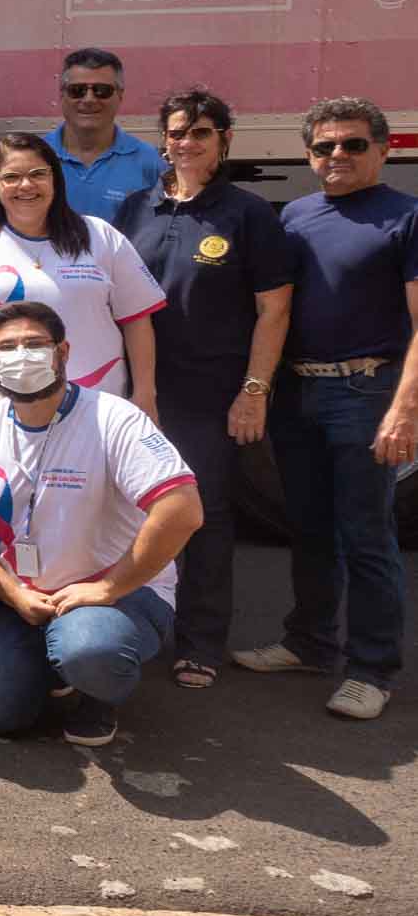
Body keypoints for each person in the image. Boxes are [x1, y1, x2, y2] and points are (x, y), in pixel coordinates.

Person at [233, 97, 418, 721]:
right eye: (324, 147)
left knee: (366, 534)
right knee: (308, 529)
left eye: (352, 145)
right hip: (298, 392)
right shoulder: (296, 217)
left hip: (367, 392)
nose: (337, 155)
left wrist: (405, 409)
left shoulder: (407, 217)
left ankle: (372, 669)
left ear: (383, 149)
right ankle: (310, 643)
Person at [0, 303, 203, 745]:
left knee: (89, 650)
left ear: (63, 351)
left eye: (35, 344)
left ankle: (97, 692)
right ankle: (52, 663)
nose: (21, 355)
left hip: (117, 597)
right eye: (7, 347)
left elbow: (183, 509)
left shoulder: (114, 418)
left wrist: (107, 588)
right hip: (21, 596)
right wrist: (11, 593)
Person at [113, 87, 291, 690]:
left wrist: (254, 389)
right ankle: (131, 623)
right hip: (134, 390)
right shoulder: (136, 208)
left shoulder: (247, 214)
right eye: (177, 131)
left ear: (224, 141)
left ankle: (201, 641)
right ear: (163, 139)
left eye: (201, 132)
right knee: (130, 514)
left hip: (208, 394)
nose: (186, 142)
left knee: (204, 516)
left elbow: (274, 311)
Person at [0, 134, 164, 415]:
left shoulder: (99, 235)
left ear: (55, 180)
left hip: (99, 406)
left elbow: (137, 319)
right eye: (11, 177)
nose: (26, 185)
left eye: (38, 174)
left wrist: (144, 394)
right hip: (4, 408)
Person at [45, 48, 167, 221]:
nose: (89, 99)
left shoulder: (150, 163)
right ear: (61, 95)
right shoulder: (36, 156)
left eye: (102, 90)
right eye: (77, 90)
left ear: (120, 95)